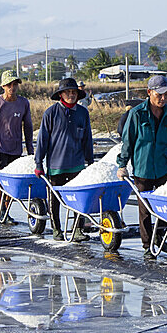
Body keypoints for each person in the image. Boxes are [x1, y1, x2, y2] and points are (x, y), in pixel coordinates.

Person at [117, 74, 167, 257]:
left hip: (164, 168)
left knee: (165, 207)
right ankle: (148, 246)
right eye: (159, 95)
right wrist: (121, 164)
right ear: (149, 93)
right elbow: (128, 142)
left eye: (166, 95)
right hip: (143, 169)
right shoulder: (137, 114)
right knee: (145, 210)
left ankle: (160, 236)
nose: (163, 99)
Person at [34, 78, 94, 241]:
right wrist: (39, 163)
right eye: (67, 92)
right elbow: (42, 140)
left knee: (79, 199)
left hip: (77, 165)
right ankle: (57, 230)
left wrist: (90, 161)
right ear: (61, 94)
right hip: (56, 165)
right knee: (54, 200)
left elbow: (87, 138)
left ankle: (77, 230)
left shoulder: (82, 113)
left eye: (74, 92)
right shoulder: (51, 113)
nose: (71, 95)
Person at [0, 69, 35, 208]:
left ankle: (7, 206)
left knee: (12, 181)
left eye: (15, 84)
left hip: (15, 147)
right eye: (9, 85)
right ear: (3, 86)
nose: (12, 87)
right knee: (1, 180)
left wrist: (30, 149)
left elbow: (28, 127)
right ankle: (3, 209)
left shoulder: (23, 103)